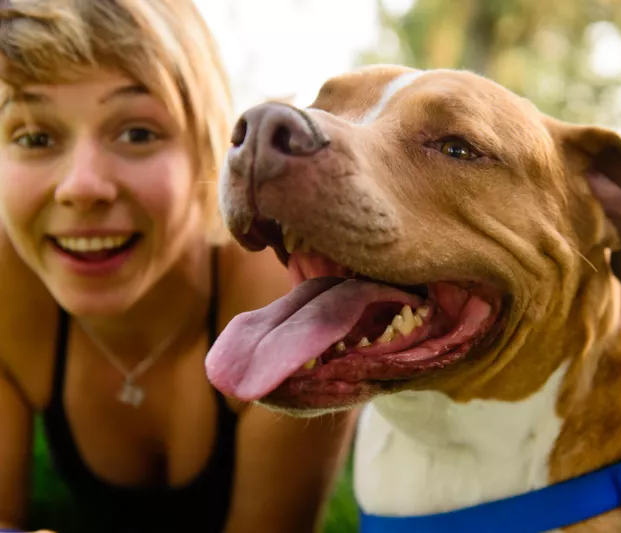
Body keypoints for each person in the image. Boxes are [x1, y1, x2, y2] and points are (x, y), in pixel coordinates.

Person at [0, 1, 356, 532]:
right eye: (35, 137)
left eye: (137, 133)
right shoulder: (6, 289)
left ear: (206, 151)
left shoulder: (284, 300)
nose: (81, 186)